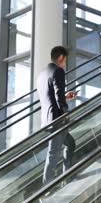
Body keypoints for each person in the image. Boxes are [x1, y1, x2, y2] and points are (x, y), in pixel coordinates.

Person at [37, 46, 77, 184]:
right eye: (65, 60)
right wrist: (65, 113)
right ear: (60, 58)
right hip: (57, 119)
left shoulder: (42, 74)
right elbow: (58, 95)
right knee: (53, 153)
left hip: (47, 118)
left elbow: (51, 96)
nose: (65, 63)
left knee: (70, 143)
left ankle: (67, 176)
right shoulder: (58, 71)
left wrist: (65, 97)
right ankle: (46, 187)